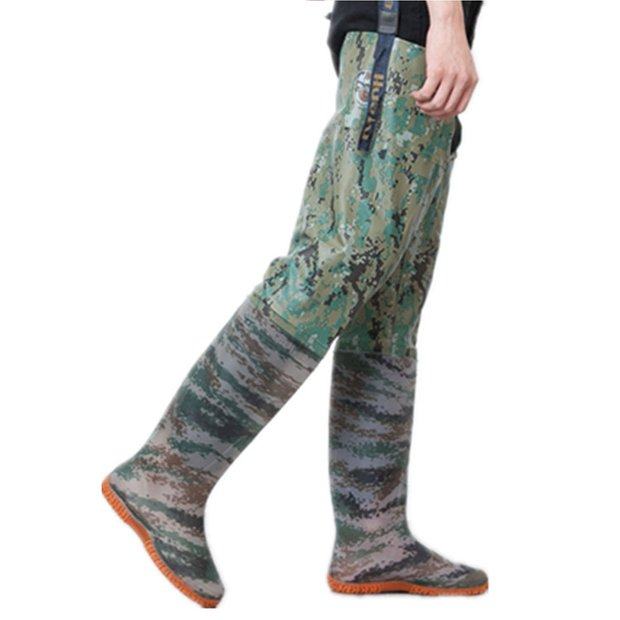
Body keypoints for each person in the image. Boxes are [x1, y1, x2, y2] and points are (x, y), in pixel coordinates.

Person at [102, 0, 486, 607]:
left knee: (388, 304)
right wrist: (446, 22)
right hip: (403, 32)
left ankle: (373, 534)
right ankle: (169, 474)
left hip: (406, 44)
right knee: (341, 262)